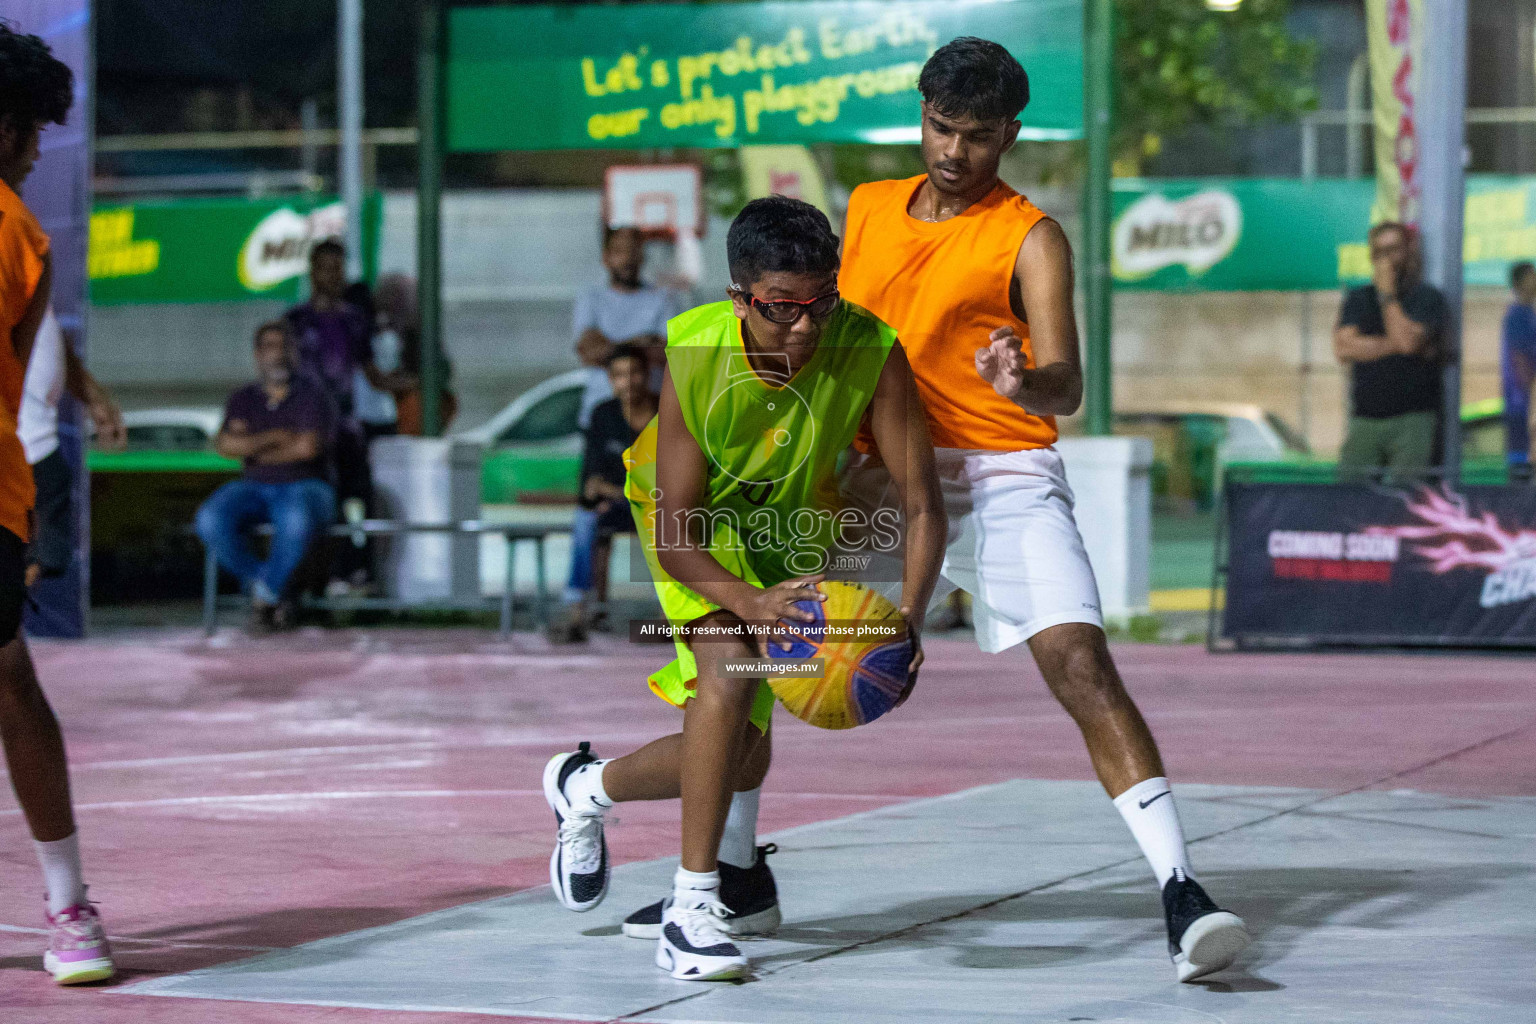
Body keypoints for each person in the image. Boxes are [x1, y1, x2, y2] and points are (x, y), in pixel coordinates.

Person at [832, 38, 1249, 983]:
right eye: (942, 128)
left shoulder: (1032, 235)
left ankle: (1183, 890)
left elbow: (1068, 385)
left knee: (1080, 661)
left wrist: (1027, 377)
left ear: (1010, 135)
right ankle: (730, 875)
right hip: (880, 474)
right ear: (922, 114)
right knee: (770, 642)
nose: (954, 152)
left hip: (1003, 473)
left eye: (978, 137)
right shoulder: (861, 212)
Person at [543, 197, 945, 981]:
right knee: (725, 680)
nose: (802, 328)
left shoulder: (867, 346)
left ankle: (585, 787)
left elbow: (923, 502)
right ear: (739, 298)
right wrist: (751, 604)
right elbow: (676, 532)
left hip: (786, 531)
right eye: (779, 310)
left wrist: (909, 623)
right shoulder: (694, 353)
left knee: (744, 758)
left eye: (818, 304)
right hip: (691, 526)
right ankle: (692, 908)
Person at [0, 22, 115, 984]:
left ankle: (68, 904)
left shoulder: (20, 233)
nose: (41, 149)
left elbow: (13, 375)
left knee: (8, 677)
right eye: (33, 129)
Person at [196, 321, 337, 633]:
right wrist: (276, 436)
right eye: (271, 347)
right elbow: (224, 445)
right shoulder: (243, 398)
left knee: (294, 519)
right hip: (253, 486)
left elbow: (306, 449)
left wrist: (253, 448)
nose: (279, 355)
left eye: (285, 346)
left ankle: (265, 595)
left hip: (306, 486)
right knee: (209, 519)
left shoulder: (311, 395)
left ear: (295, 353)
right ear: (258, 354)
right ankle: (270, 589)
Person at [284, 239, 380, 592]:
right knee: (324, 503)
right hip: (311, 431)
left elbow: (373, 374)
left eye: (338, 268)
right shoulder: (294, 322)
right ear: (312, 272)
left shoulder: (355, 321)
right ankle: (321, 574)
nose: (333, 276)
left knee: (362, 498)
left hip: (348, 430)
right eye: (326, 268)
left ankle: (358, 569)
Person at [549, 343, 657, 644]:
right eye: (620, 374)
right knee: (586, 519)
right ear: (611, 380)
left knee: (675, 520)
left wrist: (623, 490)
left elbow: (675, 478)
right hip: (619, 506)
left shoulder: (668, 411)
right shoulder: (602, 415)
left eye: (635, 372)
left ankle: (671, 616)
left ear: (647, 375)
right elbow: (591, 481)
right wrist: (624, 492)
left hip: (660, 509)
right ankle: (580, 611)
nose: (629, 380)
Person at [21, 308, 126, 587]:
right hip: (16, 452)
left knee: (44, 559)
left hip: (38, 449)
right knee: (24, 561)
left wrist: (95, 398)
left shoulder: (32, 279)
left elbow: (50, 340)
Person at [1334, 222, 1446, 479]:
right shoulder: (1359, 298)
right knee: (1348, 491)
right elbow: (1343, 348)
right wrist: (1395, 342)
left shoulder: (1427, 298)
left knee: (1404, 498)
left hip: (1413, 416)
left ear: (1408, 251)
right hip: (1366, 416)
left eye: (1394, 249)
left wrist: (1387, 295)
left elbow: (1407, 344)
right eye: (1379, 252)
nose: (1387, 259)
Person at [572, 224, 684, 429]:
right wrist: (643, 342)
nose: (627, 259)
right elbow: (589, 352)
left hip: (653, 417)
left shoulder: (664, 298)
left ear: (642, 257)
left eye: (634, 251)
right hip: (600, 416)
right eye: (619, 252)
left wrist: (611, 348)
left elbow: (669, 354)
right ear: (606, 257)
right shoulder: (590, 298)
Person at [1501, 261, 1536, 480]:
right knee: (1521, 465)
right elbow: (1520, 359)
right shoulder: (1518, 315)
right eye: (1531, 276)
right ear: (1519, 283)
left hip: (1524, 399)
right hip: (1520, 400)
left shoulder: (1527, 313)